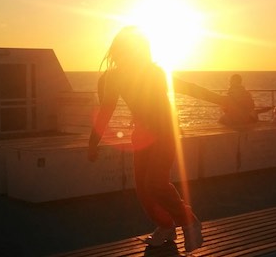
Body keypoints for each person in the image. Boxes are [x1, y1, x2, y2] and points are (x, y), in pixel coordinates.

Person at [87, 26, 207, 252]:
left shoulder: (154, 72)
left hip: (165, 131)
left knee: (155, 182)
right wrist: (93, 142)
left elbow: (186, 88)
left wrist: (221, 99)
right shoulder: (114, 78)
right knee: (143, 189)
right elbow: (106, 110)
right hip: (141, 134)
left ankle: (190, 222)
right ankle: (166, 226)